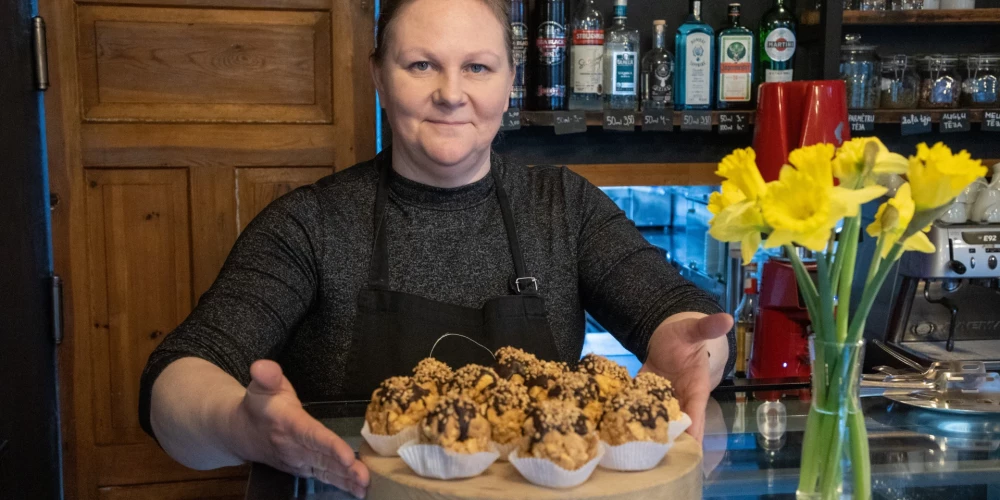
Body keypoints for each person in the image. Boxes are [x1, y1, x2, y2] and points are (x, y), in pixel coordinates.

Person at [139, 0, 735, 497]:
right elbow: (179, 378)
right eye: (421, 64)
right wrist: (239, 426)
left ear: (509, 83)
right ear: (378, 76)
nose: (452, 94)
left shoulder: (564, 207)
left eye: (477, 67)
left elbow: (679, 316)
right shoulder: (310, 223)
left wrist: (697, 350)